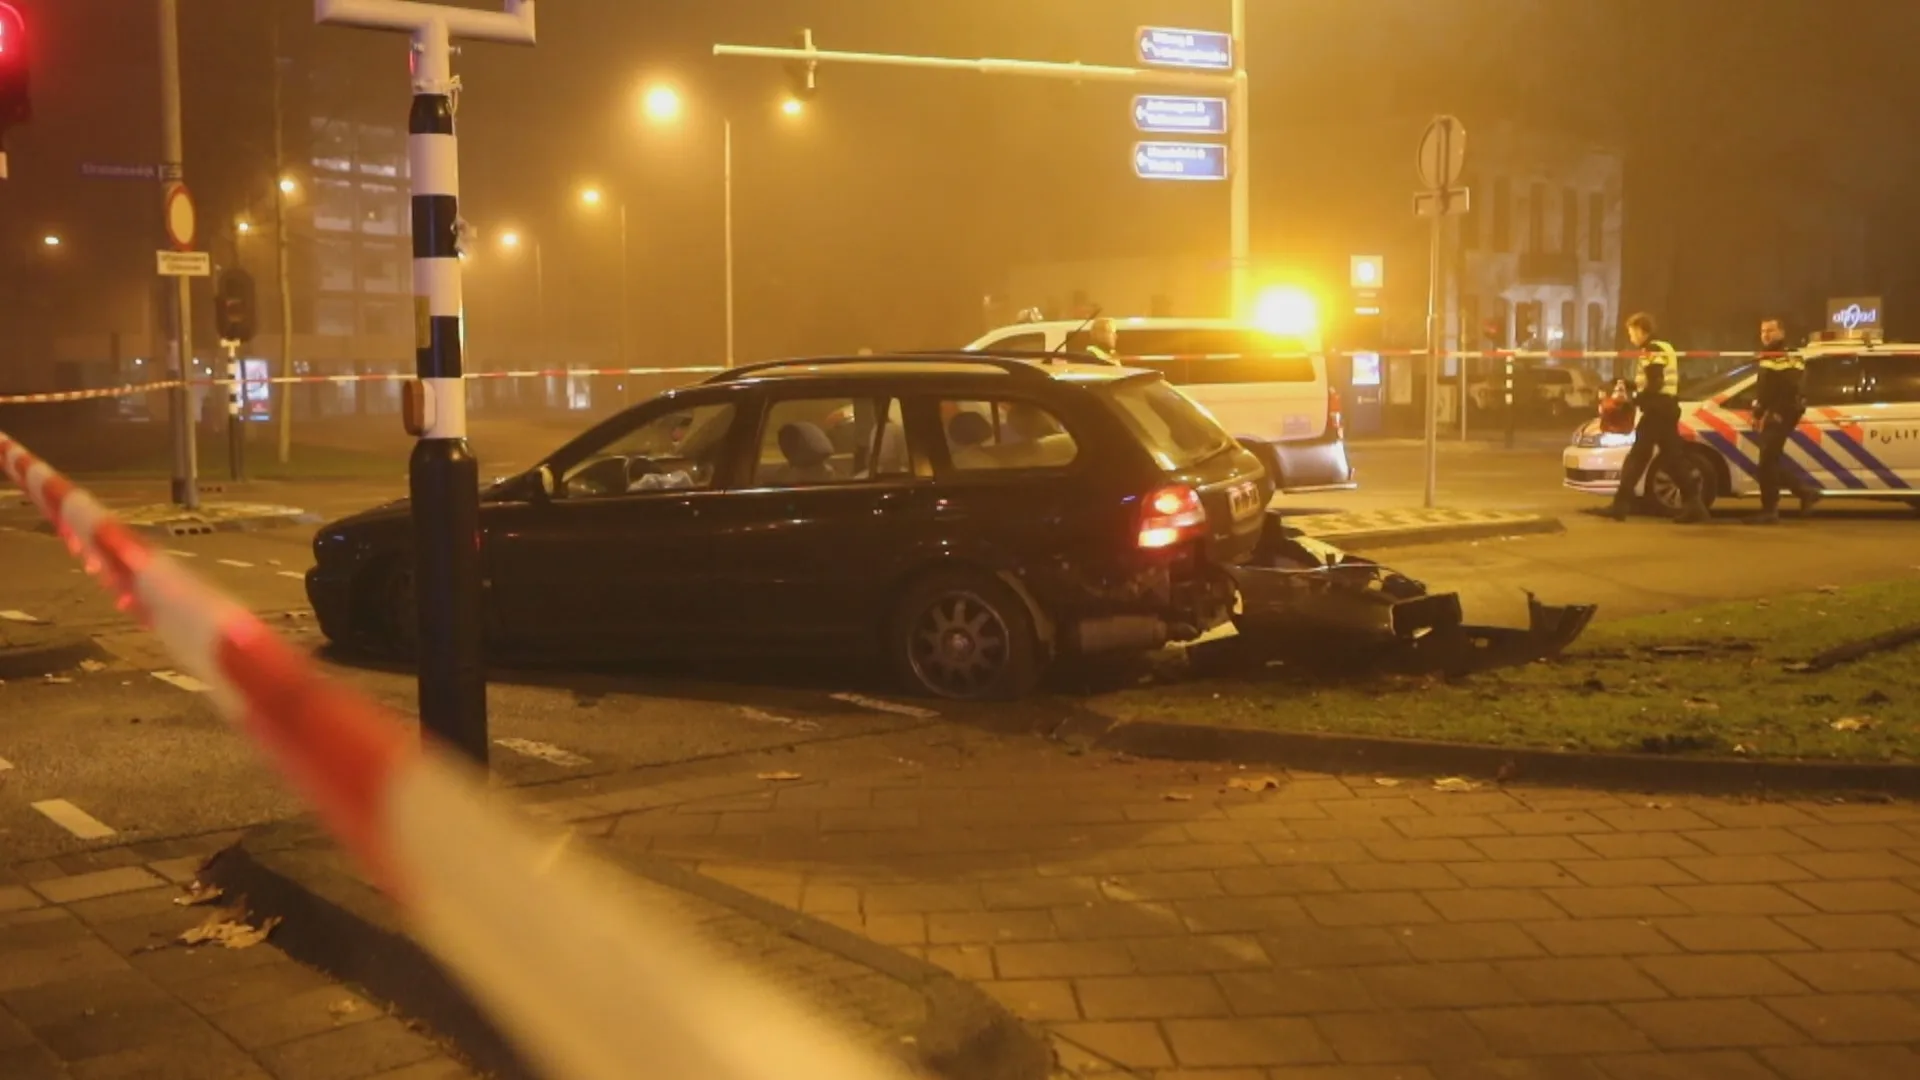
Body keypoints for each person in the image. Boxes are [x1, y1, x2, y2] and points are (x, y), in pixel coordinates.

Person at [1609, 312, 1709, 523]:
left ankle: (1619, 505)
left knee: (1638, 456)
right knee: (1673, 459)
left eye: (1631, 332)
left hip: (1657, 411)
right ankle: (1695, 506)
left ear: (1640, 329)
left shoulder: (1651, 350)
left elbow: (1655, 382)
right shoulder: (1664, 346)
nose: (1631, 337)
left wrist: (1634, 398)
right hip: (1666, 408)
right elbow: (1653, 380)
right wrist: (1629, 385)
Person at [1747, 316, 1821, 525]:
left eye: (1770, 331)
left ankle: (1770, 510)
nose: (1766, 335)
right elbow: (1764, 389)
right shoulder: (1769, 355)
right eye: (1763, 331)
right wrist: (1759, 411)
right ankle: (1805, 493)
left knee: (1766, 462)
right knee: (1771, 461)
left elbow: (1788, 388)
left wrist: (1771, 412)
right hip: (1776, 412)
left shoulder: (1787, 355)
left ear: (1782, 333)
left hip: (1781, 413)